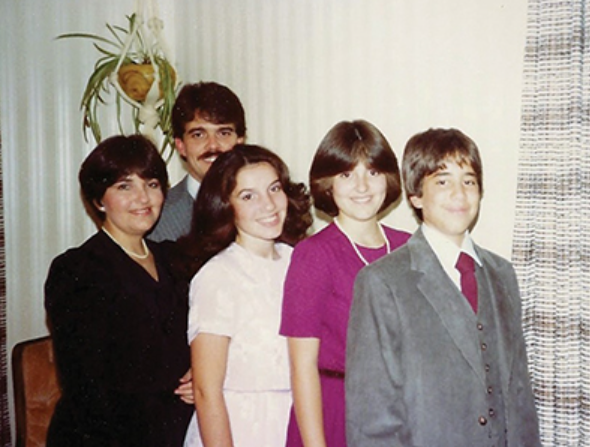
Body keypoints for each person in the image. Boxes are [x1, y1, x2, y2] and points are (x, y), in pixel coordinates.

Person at [346, 128, 541, 446]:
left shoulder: (502, 274)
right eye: (442, 181)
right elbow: (373, 419)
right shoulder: (383, 282)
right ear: (416, 196)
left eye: (469, 180)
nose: (460, 194)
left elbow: (520, 396)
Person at [45, 135, 194, 446]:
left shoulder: (173, 259)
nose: (143, 198)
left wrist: (201, 374)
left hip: (177, 429)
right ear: (100, 200)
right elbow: (87, 387)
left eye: (151, 184)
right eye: (125, 186)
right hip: (107, 437)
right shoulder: (77, 270)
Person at [279, 120, 410, 447]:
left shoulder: (410, 248)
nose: (362, 187)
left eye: (373, 173)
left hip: (400, 413)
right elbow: (302, 367)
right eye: (347, 175)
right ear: (328, 184)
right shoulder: (314, 255)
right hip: (336, 413)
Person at [181, 144, 313, 447]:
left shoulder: (299, 261)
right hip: (241, 427)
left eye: (274, 189)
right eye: (248, 196)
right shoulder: (218, 276)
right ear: (225, 205)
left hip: (296, 421)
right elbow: (205, 390)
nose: (268, 205)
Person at [148, 81, 246, 242]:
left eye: (223, 133)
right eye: (198, 135)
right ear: (181, 146)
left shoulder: (267, 207)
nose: (213, 145)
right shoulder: (157, 217)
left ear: (240, 142)